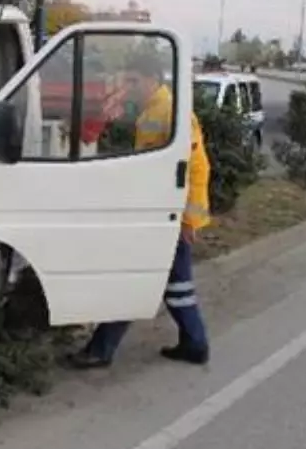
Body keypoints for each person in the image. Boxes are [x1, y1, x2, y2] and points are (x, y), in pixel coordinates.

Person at [68, 50, 213, 369]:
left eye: (134, 80)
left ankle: (100, 350)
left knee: (134, 281)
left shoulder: (172, 111)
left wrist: (190, 219)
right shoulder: (153, 109)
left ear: (152, 79)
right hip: (160, 213)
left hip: (169, 217)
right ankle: (195, 343)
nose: (129, 86)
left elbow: (197, 167)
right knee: (176, 286)